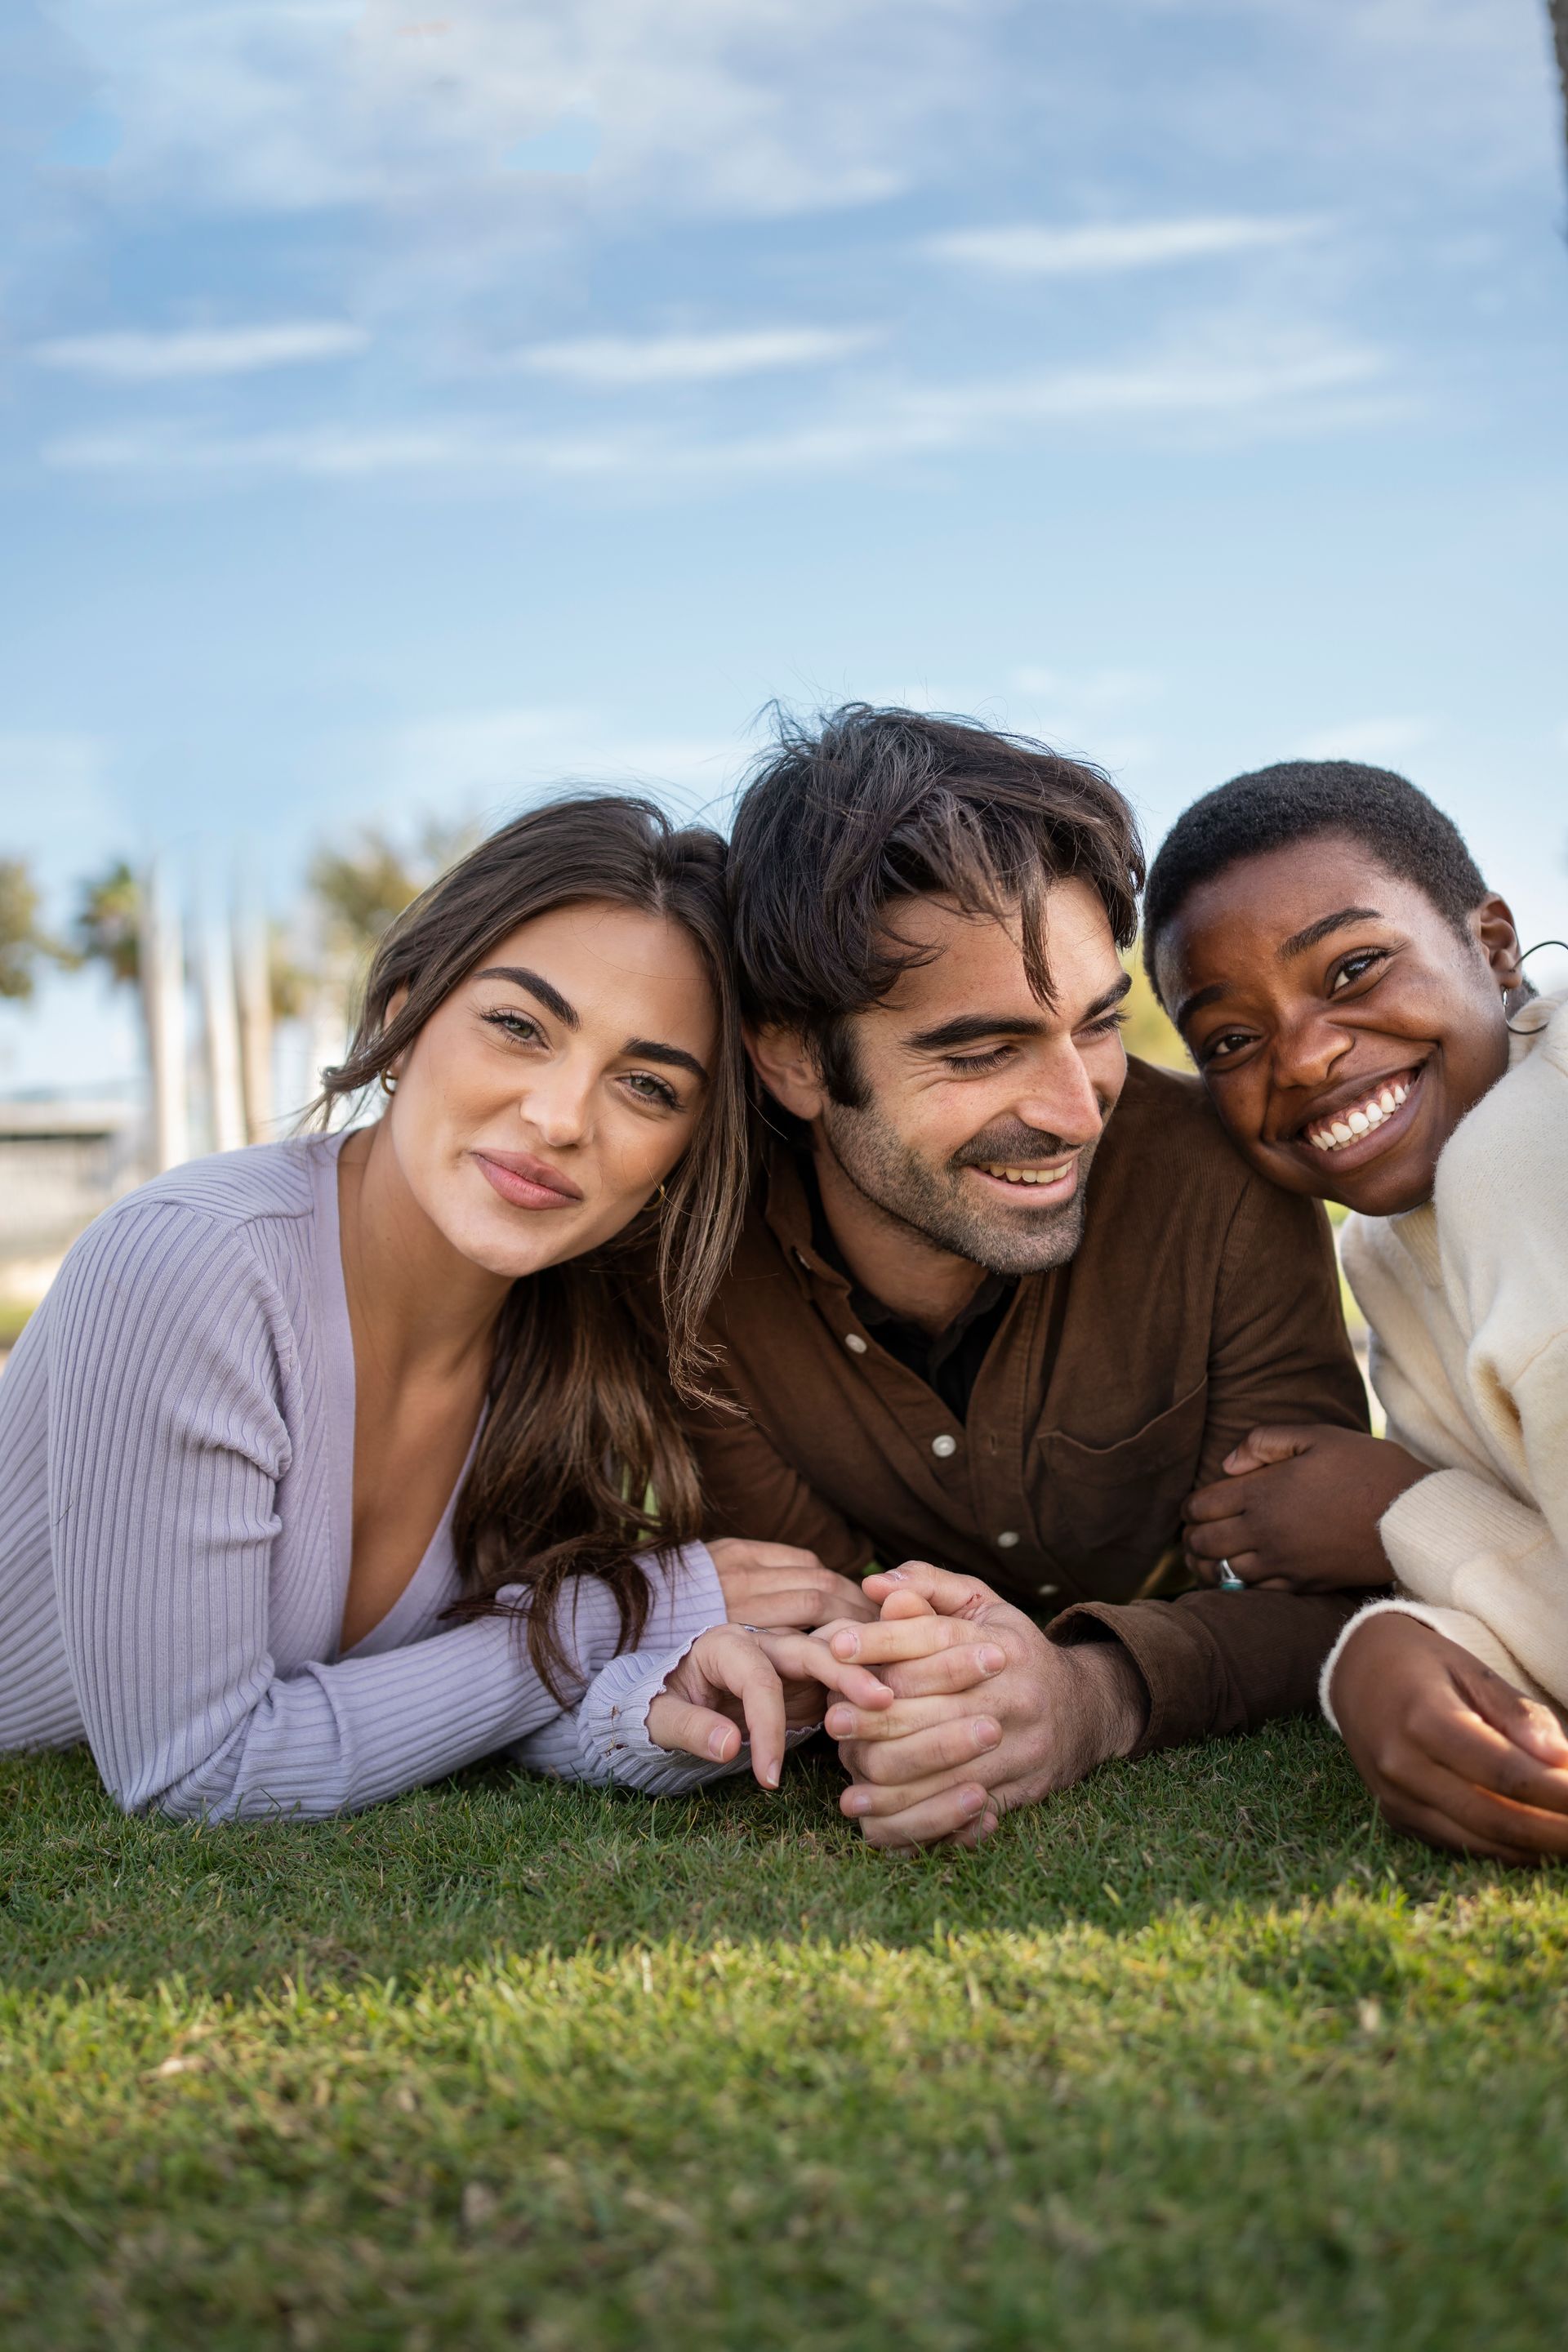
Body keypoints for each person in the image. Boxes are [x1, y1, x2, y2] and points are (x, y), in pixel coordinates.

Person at [0, 795, 951, 1819]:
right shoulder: (193, 1266)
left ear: (685, 1151)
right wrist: (637, 1610)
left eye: (646, 1086)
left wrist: (661, 1703)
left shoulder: (569, 1332)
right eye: (517, 1026)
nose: (558, 1118)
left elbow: (451, 1691)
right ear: (401, 1015)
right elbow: (201, 1766)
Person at [693, 706, 1370, 1852]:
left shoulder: (1225, 1180)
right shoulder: (697, 1266)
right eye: (982, 1051)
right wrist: (904, 1686)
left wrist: (1090, 1696)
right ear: (795, 1056)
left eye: (1097, 1026)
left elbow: (1316, 1590)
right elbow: (804, 1605)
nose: (1075, 1110)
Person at [1143, 759, 1568, 1864]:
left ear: (1492, 944)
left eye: (1355, 968)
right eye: (1230, 1041)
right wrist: (1389, 1648)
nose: (1306, 1055)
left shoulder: (1532, 1143)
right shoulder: (1382, 1248)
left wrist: (1400, 1509)